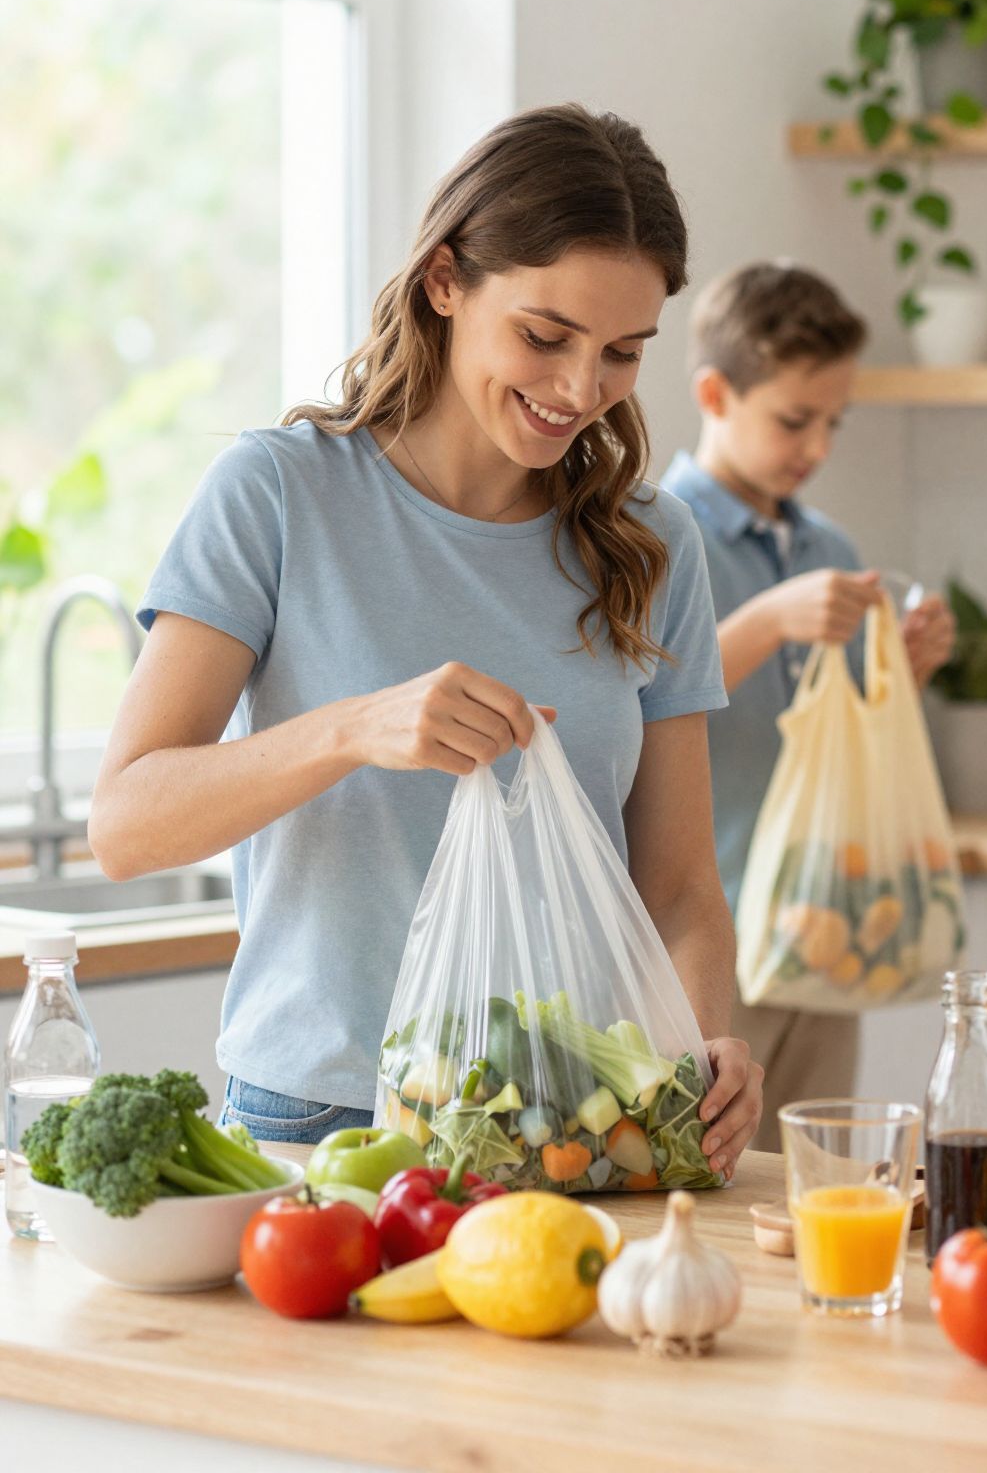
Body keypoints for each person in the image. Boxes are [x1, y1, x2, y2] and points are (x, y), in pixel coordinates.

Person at [89, 105, 763, 1172]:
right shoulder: (279, 496)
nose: (580, 391)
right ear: (446, 281)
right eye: (544, 336)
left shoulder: (649, 545)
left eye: (622, 353)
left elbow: (678, 885)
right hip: (320, 1127)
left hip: (573, 1127)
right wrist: (357, 727)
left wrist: (698, 1054)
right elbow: (126, 825)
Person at [660, 262, 954, 1150]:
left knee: (821, 1171)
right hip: (712, 931)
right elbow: (636, 711)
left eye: (833, 421)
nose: (817, 447)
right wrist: (765, 624)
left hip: (831, 924)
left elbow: (846, 730)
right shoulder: (658, 533)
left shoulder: (828, 544)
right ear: (715, 393)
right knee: (706, 1165)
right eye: (795, 420)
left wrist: (898, 675)